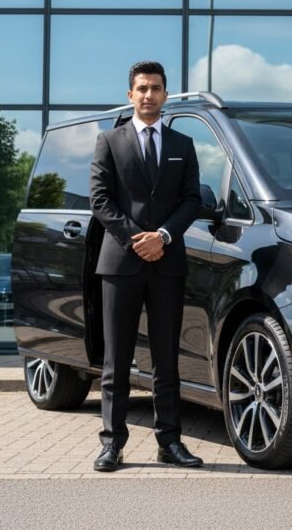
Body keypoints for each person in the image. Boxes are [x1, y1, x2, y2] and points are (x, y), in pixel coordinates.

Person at [89, 60, 202, 472]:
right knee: (116, 361)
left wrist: (164, 238)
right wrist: (138, 240)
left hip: (168, 264)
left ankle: (169, 443)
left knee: (166, 360)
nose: (149, 95)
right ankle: (111, 444)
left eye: (156, 88)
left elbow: (192, 200)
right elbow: (100, 200)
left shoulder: (183, 146)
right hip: (120, 264)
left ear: (165, 95)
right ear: (130, 95)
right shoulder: (109, 141)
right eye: (142, 88)